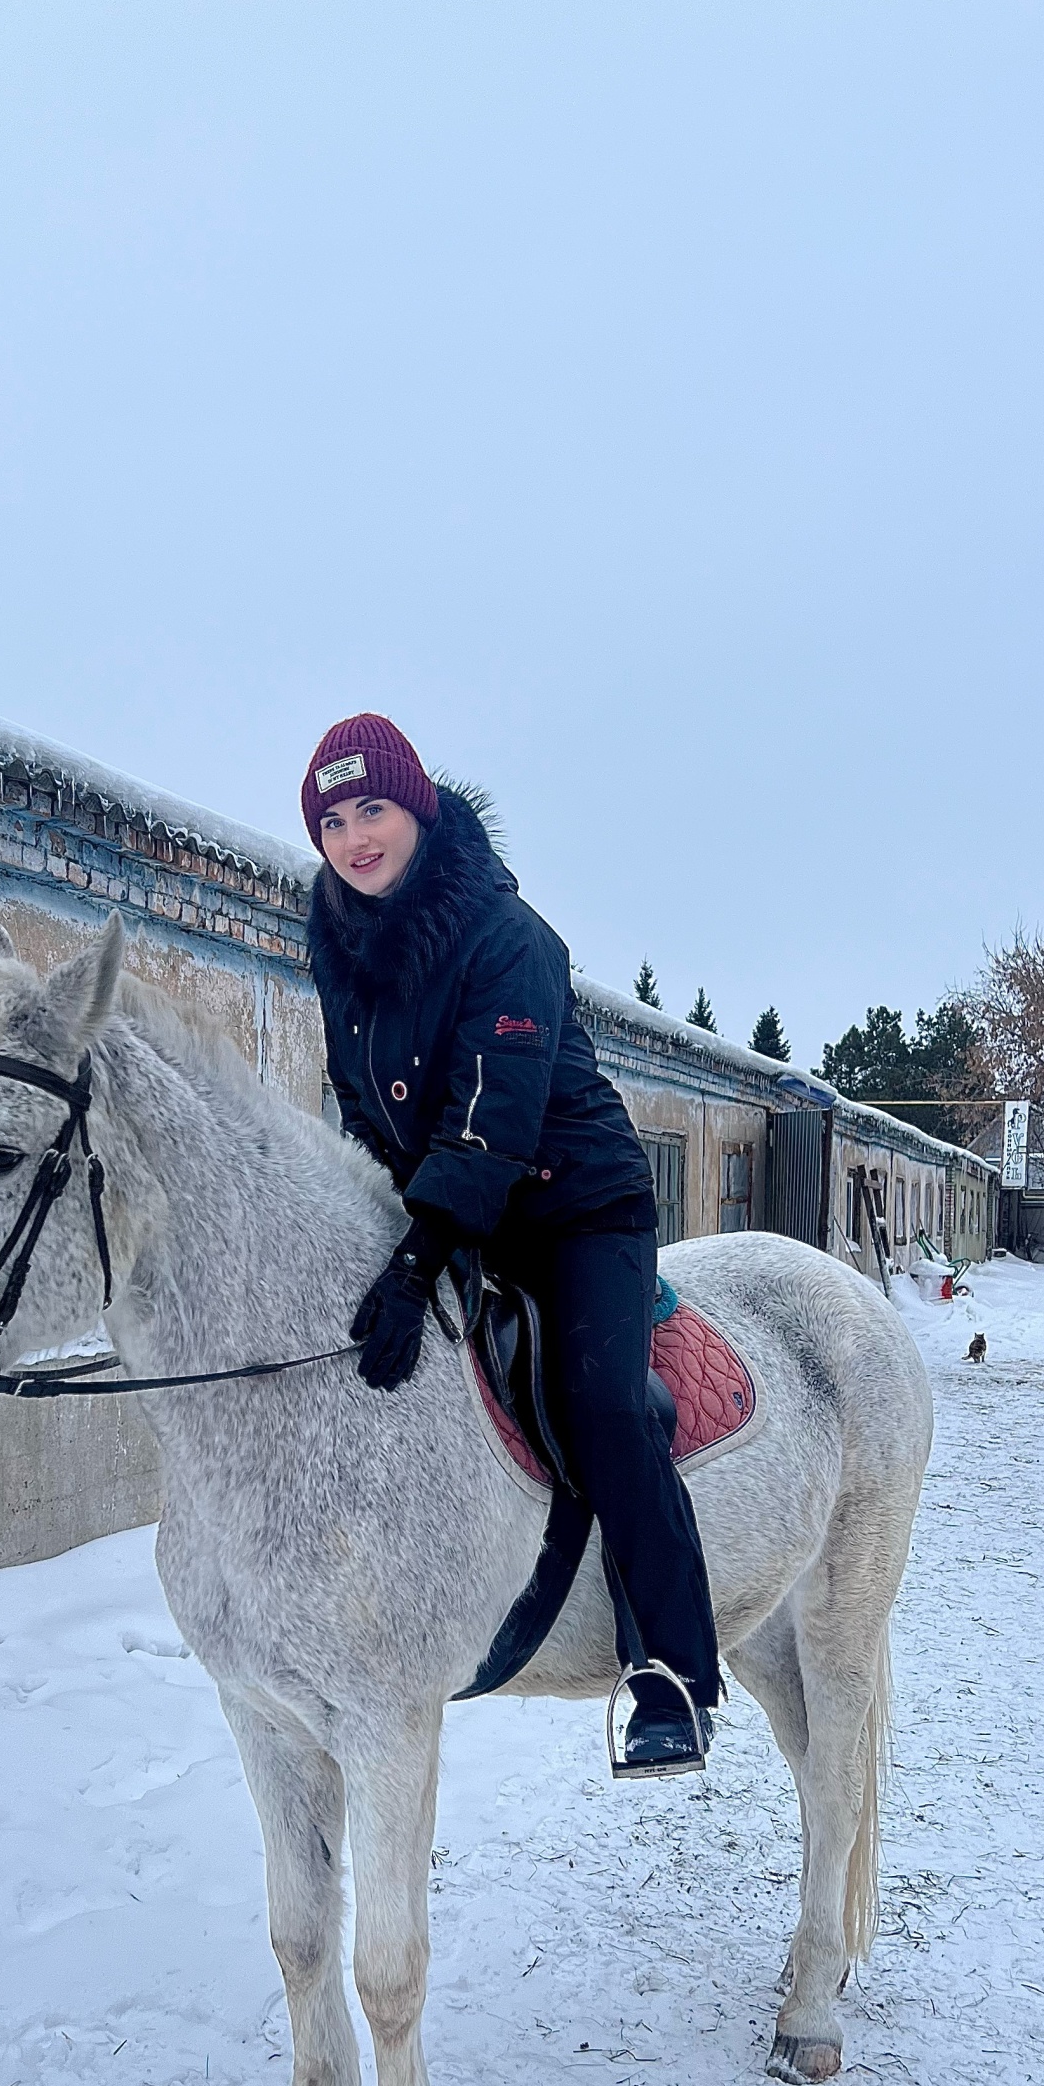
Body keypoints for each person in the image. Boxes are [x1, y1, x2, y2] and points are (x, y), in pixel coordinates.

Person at [303, 713, 720, 1775]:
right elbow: (362, 1110)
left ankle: (673, 1671)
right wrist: (379, 1237)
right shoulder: (339, 937)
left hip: (575, 1207)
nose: (355, 838)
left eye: (374, 810)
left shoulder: (506, 935)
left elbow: (493, 1120)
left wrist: (417, 1256)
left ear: (418, 810)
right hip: (451, 1210)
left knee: (602, 1401)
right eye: (334, 820)